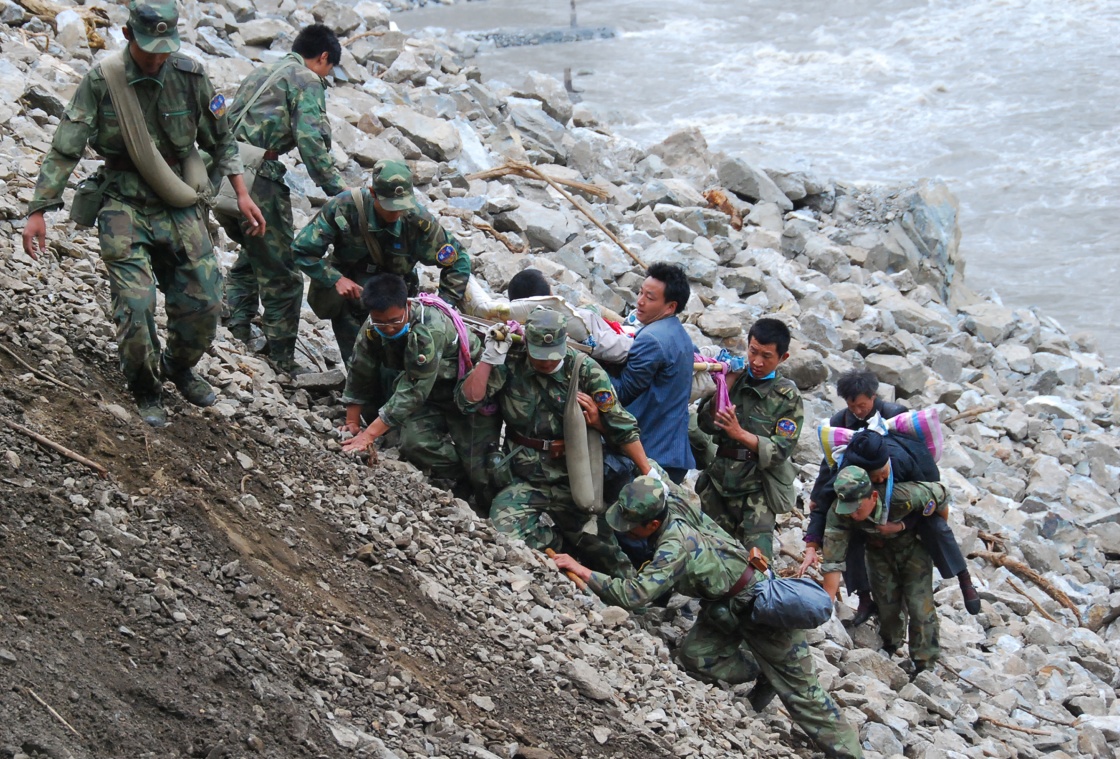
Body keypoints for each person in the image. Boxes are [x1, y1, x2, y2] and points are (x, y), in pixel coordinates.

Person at [22, 1, 265, 427]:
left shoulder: (190, 76)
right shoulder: (104, 80)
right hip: (123, 202)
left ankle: (177, 365)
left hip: (179, 200)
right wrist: (40, 208)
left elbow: (222, 139)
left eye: (164, 48)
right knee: (135, 305)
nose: (156, 57)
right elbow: (67, 145)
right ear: (129, 35)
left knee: (206, 300)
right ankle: (146, 388)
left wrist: (241, 193)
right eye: (148, 47)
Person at [552, 470, 863, 759]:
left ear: (653, 525)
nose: (629, 530)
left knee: (803, 695)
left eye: (633, 525)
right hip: (725, 605)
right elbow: (653, 471)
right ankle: (761, 670)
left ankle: (849, 753)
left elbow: (635, 595)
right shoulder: (672, 499)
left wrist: (582, 570)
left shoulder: (674, 546)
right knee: (695, 657)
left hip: (763, 607)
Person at [458, 308, 651, 577]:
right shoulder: (512, 361)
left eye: (552, 357)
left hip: (572, 482)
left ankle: (633, 599)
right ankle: (560, 549)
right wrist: (489, 359)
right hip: (523, 480)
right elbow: (467, 401)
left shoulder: (584, 371)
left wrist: (649, 473)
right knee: (502, 531)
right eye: (539, 356)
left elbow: (623, 427)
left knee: (605, 550)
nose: (546, 363)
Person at [220, 24, 347, 376]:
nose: (327, 74)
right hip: (259, 178)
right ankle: (282, 361)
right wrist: (338, 190)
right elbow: (310, 141)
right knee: (284, 274)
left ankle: (237, 330)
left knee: (253, 251)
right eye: (330, 68)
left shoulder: (263, 71)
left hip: (225, 174)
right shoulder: (306, 80)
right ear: (323, 57)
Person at [339, 274, 499, 508]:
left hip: (465, 393)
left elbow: (413, 389)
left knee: (482, 472)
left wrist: (368, 435)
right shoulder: (374, 326)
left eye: (395, 321)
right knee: (414, 444)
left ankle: (478, 489)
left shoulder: (429, 329)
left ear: (408, 306)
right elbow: (360, 367)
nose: (389, 328)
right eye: (381, 322)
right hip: (431, 394)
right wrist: (352, 421)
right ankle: (460, 474)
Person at [292, 160, 471, 364]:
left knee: (400, 363)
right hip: (352, 299)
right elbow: (301, 250)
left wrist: (443, 306)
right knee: (358, 363)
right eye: (390, 207)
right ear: (373, 193)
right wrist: (335, 279)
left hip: (396, 301)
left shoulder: (418, 221)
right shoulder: (344, 207)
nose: (396, 214)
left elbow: (458, 260)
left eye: (401, 207)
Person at [802, 429, 980, 619]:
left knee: (936, 526)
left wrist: (903, 525)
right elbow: (824, 505)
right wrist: (812, 545)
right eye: (874, 477)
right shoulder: (849, 473)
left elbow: (934, 496)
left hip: (911, 508)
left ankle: (963, 577)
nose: (880, 479)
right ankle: (864, 598)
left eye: (883, 474)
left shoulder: (902, 461)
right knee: (846, 533)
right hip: (869, 511)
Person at [802, 369, 908, 626]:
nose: (858, 411)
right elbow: (830, 463)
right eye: (852, 406)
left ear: (874, 397)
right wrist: (819, 495)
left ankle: (895, 619)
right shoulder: (841, 420)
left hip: (889, 492)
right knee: (850, 542)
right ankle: (864, 599)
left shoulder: (894, 415)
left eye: (862, 405)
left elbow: (907, 457)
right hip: (854, 492)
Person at [822, 466, 948, 677]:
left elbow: (941, 495)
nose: (853, 514)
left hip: (913, 549)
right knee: (886, 602)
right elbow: (832, 559)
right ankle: (890, 643)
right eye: (848, 509)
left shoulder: (904, 496)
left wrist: (936, 532)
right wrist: (826, 604)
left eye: (857, 508)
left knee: (920, 605)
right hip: (878, 550)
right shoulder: (839, 513)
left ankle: (925, 665)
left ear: (872, 496)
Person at [695, 318, 802, 560]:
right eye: (753, 351)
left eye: (767, 356)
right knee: (711, 554)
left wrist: (739, 433)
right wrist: (726, 384)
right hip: (719, 481)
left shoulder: (787, 397)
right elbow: (705, 424)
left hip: (757, 489)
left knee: (758, 561)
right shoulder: (733, 376)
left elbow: (780, 451)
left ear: (782, 358)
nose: (757, 361)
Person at [610, 262, 696, 484]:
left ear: (670, 306)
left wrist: (588, 362)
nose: (639, 301)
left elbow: (621, 393)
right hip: (671, 453)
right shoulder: (680, 335)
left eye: (650, 297)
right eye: (640, 292)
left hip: (650, 457)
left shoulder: (651, 339)